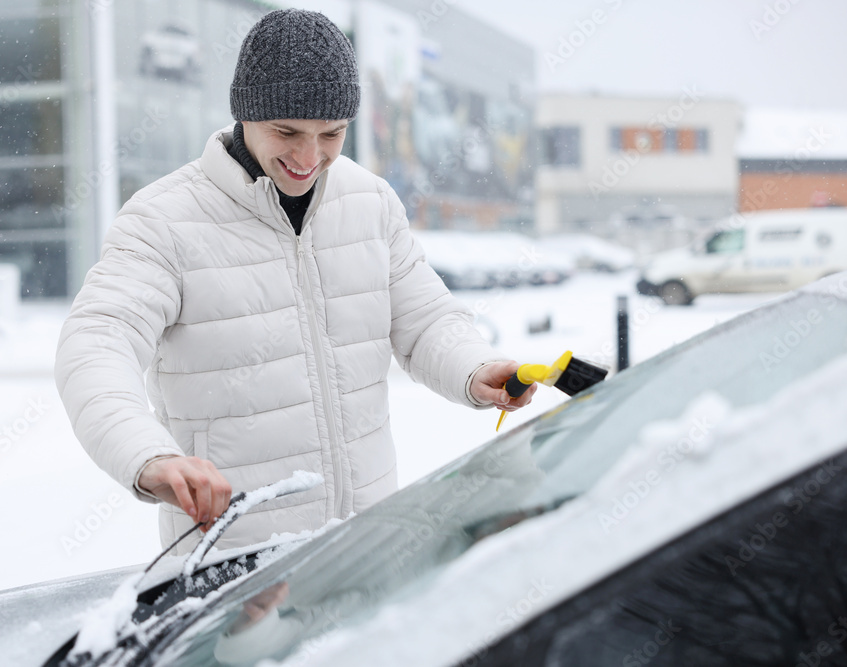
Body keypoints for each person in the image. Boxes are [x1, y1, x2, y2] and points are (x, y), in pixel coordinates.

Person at [54, 8, 535, 555]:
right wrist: (148, 456)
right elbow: (95, 346)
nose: (310, 158)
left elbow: (425, 321)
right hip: (234, 563)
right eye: (287, 132)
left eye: (331, 134)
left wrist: (473, 366)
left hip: (365, 545)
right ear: (245, 115)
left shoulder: (369, 202)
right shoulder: (164, 219)